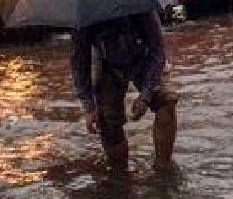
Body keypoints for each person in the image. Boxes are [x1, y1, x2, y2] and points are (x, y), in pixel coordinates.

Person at [72, 12, 178, 172]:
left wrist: (145, 96)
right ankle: (120, 175)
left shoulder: (141, 5)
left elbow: (158, 51)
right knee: (107, 122)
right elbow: (79, 62)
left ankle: (164, 167)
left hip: (145, 56)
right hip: (106, 62)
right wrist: (89, 107)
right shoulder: (86, 16)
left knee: (167, 101)